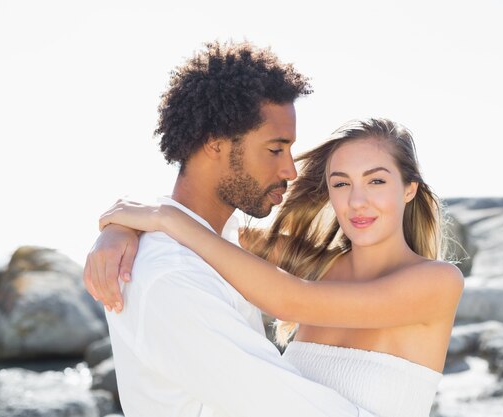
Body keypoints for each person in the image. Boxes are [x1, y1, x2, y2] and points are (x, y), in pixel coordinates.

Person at [91, 117, 465, 417]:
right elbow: (217, 234)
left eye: (377, 181)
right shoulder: (315, 263)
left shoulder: (437, 282)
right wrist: (121, 228)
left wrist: (166, 220)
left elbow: (289, 299)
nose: (357, 201)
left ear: (409, 189)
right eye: (341, 183)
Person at [85, 39, 379, 417]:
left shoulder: (223, 239)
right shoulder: (171, 276)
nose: (289, 170)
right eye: (275, 150)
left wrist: (121, 227)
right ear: (214, 144)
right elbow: (287, 408)